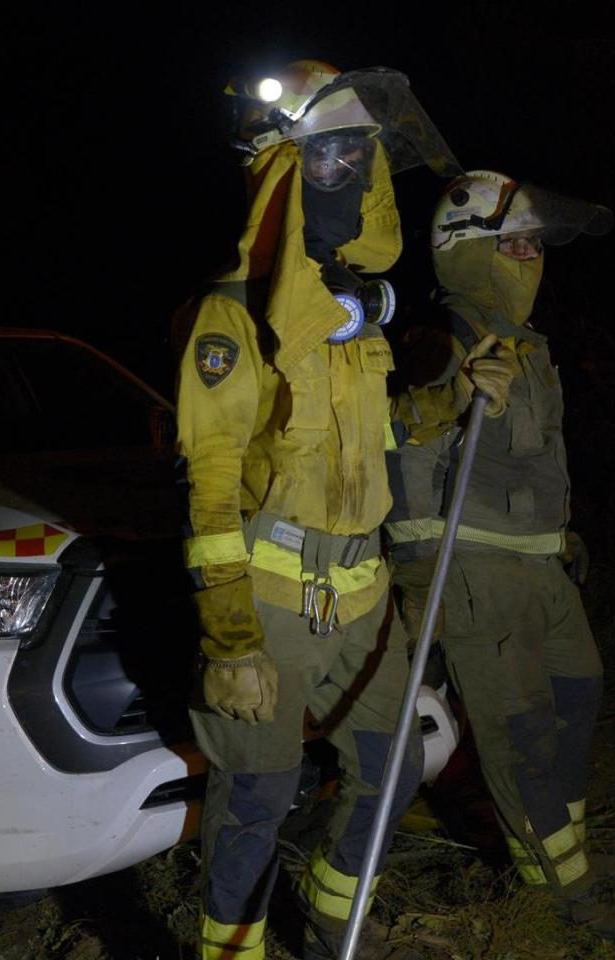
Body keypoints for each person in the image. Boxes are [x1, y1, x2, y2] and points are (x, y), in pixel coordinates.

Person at [175, 60, 470, 960]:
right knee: (257, 797)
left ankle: (334, 910)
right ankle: (233, 951)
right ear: (282, 167)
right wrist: (231, 640)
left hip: (363, 597)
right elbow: (210, 487)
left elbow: (378, 438)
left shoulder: (351, 319)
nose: (347, 171)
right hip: (271, 601)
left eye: (358, 155)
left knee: (395, 764)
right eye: (327, 154)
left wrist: (456, 395)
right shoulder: (234, 315)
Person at [382, 169, 615, 934]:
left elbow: (535, 461)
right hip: (473, 570)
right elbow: (389, 434)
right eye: (513, 242)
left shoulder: (531, 347)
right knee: (519, 732)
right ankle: (562, 897)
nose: (529, 256)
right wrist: (451, 396)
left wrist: (562, 534)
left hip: (536, 564)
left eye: (535, 244)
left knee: (578, 694)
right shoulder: (442, 339)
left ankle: (570, 850)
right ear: (464, 247)